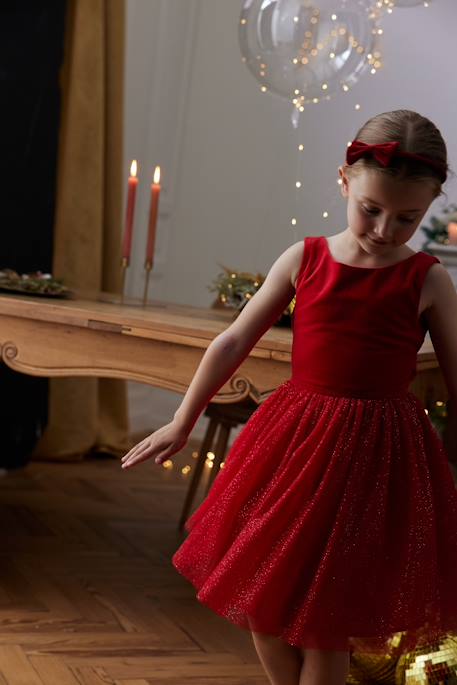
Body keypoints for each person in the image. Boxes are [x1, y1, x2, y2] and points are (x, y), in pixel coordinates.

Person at [121, 110, 457, 685]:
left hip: (374, 459)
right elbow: (231, 342)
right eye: (370, 210)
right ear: (343, 182)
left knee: (325, 621)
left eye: (407, 218)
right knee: (263, 598)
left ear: (429, 207)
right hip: (295, 445)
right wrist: (183, 419)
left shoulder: (427, 278)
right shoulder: (305, 259)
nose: (383, 230)